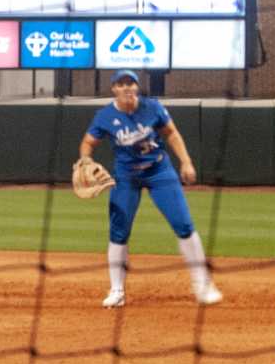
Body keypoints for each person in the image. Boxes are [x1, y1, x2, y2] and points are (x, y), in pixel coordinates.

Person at [78, 69, 220, 307]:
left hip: (159, 171)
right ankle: (116, 290)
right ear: (113, 89)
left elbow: (171, 133)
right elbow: (88, 142)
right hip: (126, 177)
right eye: (121, 84)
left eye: (130, 83)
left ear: (136, 87)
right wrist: (86, 160)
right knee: (118, 233)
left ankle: (203, 284)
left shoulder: (152, 107)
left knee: (183, 225)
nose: (126, 88)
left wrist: (186, 161)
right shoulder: (104, 116)